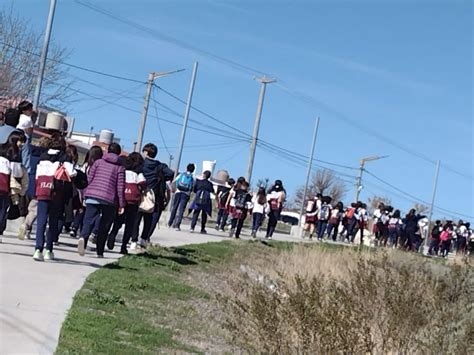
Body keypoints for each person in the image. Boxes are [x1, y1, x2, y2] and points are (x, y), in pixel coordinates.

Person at [34, 133, 77, 261]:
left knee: (41, 220)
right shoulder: (64, 157)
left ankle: (37, 249)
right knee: (53, 220)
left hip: (42, 187)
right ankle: (49, 250)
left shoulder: (42, 156)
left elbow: (37, 175)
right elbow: (71, 173)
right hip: (56, 191)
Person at [77, 143, 125, 258]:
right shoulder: (120, 167)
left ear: (108, 151)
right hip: (109, 199)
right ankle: (99, 251)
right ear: (119, 153)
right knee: (104, 225)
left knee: (88, 220)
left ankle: (83, 238)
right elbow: (120, 187)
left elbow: (89, 179)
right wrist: (121, 204)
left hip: (92, 195)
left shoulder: (98, 162)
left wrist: (85, 194)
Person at [134, 143, 174, 248]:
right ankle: (144, 239)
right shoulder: (160, 166)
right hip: (154, 197)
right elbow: (170, 174)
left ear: (146, 152)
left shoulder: (141, 164)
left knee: (136, 219)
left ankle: (133, 240)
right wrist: (160, 178)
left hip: (140, 194)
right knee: (150, 220)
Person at [18, 137, 51, 240]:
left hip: (27, 182)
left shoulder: (30, 153)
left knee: (25, 207)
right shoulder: (47, 157)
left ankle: (24, 226)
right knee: (34, 210)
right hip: (38, 184)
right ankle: (26, 226)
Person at [113, 152, 146, 255]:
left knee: (118, 220)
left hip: (121, 198)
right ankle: (123, 246)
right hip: (133, 200)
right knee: (130, 224)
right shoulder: (138, 173)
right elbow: (143, 183)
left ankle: (113, 234)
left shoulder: (122, 170)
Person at [0, 130, 28, 242]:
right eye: (21, 142)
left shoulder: (1, 147)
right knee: (2, 209)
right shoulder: (15, 154)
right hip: (4, 186)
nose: (22, 144)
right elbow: (17, 173)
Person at [70, 146, 103, 239]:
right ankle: (89, 232)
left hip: (84, 190)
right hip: (95, 192)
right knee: (93, 214)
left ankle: (75, 228)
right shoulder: (100, 166)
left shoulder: (86, 165)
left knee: (81, 211)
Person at [168, 163, 195, 231]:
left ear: (187, 168)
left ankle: (170, 223)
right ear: (193, 170)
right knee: (181, 210)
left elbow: (174, 182)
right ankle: (177, 225)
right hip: (186, 194)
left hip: (178, 192)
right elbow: (193, 186)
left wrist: (174, 189)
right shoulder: (193, 177)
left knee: (174, 207)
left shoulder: (181, 174)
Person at [16, 101, 35, 174]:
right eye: (29, 109)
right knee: (25, 159)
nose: (31, 111)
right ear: (24, 110)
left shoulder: (18, 117)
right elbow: (29, 132)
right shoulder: (28, 119)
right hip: (24, 139)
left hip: (15, 137)